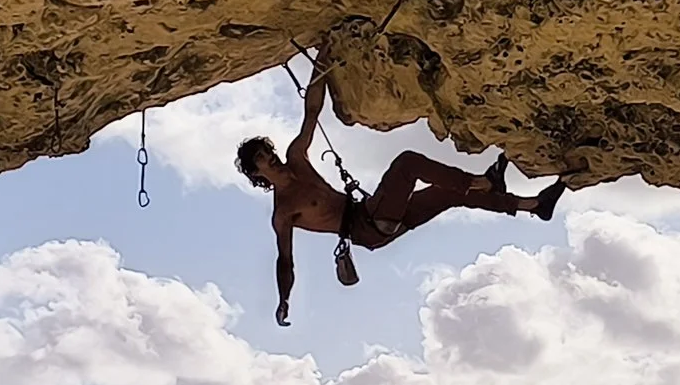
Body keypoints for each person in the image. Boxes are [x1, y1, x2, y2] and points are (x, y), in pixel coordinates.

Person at [238, 66, 562, 326]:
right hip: (366, 227)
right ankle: (484, 182)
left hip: (374, 213)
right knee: (407, 163)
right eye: (262, 159)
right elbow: (285, 261)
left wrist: (321, 59)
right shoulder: (283, 211)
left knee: (448, 194)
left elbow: (311, 111)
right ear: (257, 173)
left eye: (268, 151)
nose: (270, 157)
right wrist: (284, 300)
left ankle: (533, 205)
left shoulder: (297, 157)